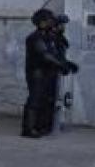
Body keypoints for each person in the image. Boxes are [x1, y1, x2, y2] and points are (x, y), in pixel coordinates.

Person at [22, 9, 77, 138]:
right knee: (35, 100)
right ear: (41, 22)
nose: (51, 23)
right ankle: (28, 129)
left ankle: (41, 127)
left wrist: (66, 63)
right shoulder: (35, 37)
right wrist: (62, 65)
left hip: (47, 72)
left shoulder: (48, 37)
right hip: (37, 73)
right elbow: (45, 55)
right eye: (48, 20)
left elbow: (55, 54)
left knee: (46, 100)